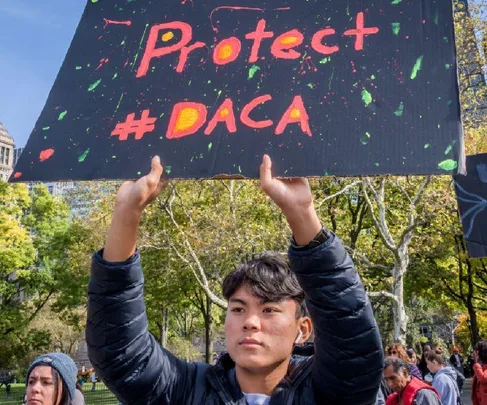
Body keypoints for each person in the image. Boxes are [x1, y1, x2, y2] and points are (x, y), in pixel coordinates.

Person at [86, 155, 384, 404]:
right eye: (238, 308)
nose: (250, 322)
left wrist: (302, 214)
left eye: (269, 309)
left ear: (303, 329)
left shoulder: (327, 393)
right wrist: (127, 212)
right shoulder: (186, 390)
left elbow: (353, 340)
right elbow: (121, 351)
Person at [472, 340, 487, 405]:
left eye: (476, 351)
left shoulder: (478, 366)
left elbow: (483, 378)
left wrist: (476, 363)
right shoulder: (481, 365)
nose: (474, 353)